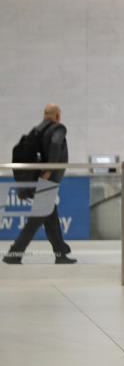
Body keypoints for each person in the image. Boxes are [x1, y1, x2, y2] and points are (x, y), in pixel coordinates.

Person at [4, 104, 76, 264]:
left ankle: (60, 253)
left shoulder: (36, 131)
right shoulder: (58, 128)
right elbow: (56, 144)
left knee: (51, 218)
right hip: (47, 180)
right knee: (36, 220)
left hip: (37, 180)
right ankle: (14, 253)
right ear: (57, 115)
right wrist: (49, 170)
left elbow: (24, 158)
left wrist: (23, 187)